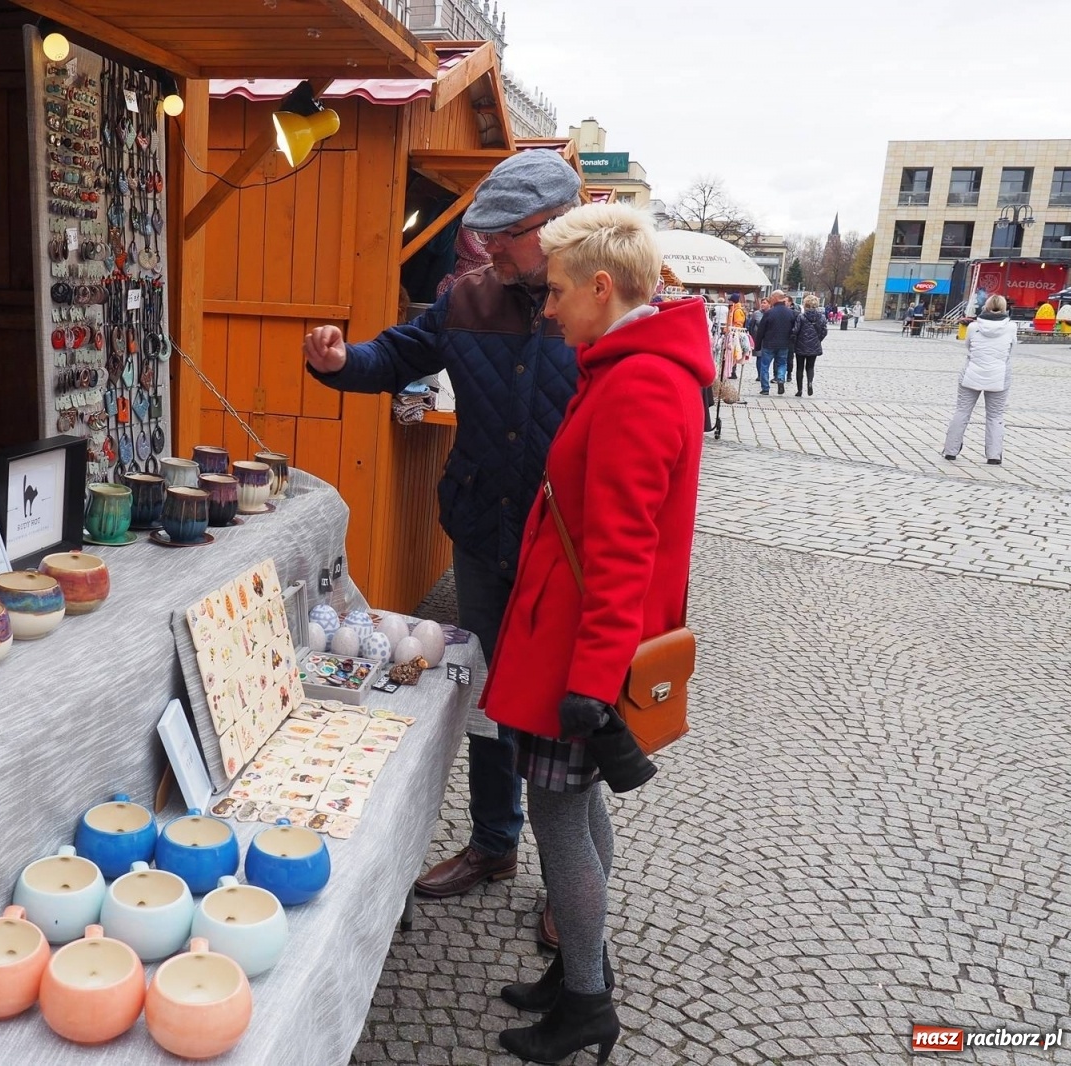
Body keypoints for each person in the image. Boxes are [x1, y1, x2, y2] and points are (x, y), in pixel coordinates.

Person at [302, 150, 582, 931]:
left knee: (565, 710)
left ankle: (572, 889)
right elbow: (395, 356)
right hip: (482, 528)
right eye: (484, 235)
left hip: (566, 549)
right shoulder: (467, 298)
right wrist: (338, 361)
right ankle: (495, 841)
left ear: (558, 227)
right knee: (490, 692)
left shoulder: (602, 302)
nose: (489, 249)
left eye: (506, 236)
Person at [482, 202, 710, 1064]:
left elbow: (622, 549)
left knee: (559, 817)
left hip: (584, 646)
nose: (546, 309)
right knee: (575, 810)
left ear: (603, 287)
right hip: (572, 634)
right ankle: (584, 965)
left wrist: (591, 676)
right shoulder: (629, 364)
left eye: (558, 292)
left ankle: (587, 1005)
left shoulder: (640, 380)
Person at [944, 294, 1014, 464]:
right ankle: (994, 455)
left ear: (986, 307)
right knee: (995, 416)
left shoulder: (973, 327)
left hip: (972, 373)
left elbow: (968, 346)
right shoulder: (1011, 327)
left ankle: (950, 450)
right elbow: (1011, 349)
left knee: (962, 411)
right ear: (1005, 308)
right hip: (998, 375)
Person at [754, 290, 796, 394]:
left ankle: (765, 388)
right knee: (782, 363)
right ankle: (781, 379)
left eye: (771, 297)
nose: (770, 299)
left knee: (765, 366)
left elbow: (761, 330)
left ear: (776, 298)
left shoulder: (769, 313)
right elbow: (794, 329)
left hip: (769, 344)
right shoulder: (790, 313)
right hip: (784, 344)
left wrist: (757, 345)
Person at [792, 294, 828, 396]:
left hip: (801, 345)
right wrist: (818, 340)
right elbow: (824, 331)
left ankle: (799, 390)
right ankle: (810, 383)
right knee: (810, 367)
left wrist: (795, 339)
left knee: (800, 367)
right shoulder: (821, 317)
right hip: (814, 345)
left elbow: (795, 330)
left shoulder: (801, 316)